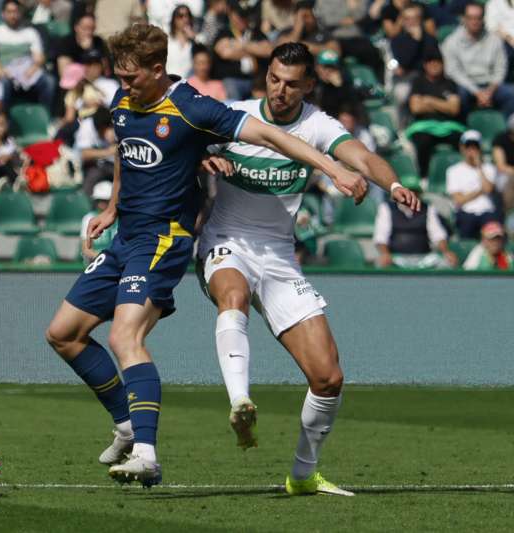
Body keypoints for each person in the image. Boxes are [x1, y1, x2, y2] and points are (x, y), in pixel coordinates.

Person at [44, 24, 366, 488]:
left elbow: (271, 136)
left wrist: (333, 168)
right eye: (121, 76)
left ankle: (147, 454)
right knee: (63, 334)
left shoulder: (192, 106)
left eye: (132, 77)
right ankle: (126, 424)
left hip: (163, 239)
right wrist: (111, 207)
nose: (123, 84)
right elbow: (124, 152)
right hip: (126, 236)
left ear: (158, 70)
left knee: (123, 336)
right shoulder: (122, 100)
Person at [197, 42, 418, 496]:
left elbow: (361, 157)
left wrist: (393, 183)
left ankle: (302, 475)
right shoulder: (236, 116)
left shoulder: (317, 125)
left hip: (279, 255)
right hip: (226, 241)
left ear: (309, 86)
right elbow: (185, 148)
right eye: (274, 79)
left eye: (292, 84)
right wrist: (204, 158)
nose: (280, 90)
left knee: (328, 376)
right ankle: (240, 402)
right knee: (233, 295)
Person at [441, 2, 514, 118]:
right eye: (470, 18)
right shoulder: (451, 42)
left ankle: (505, 127)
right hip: (465, 85)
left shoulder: (495, 40)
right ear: (464, 19)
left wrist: (490, 91)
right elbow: (453, 72)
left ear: (483, 19)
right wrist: (477, 92)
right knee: (459, 96)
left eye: (478, 18)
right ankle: (464, 126)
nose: (474, 22)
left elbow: (500, 68)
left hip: (491, 85)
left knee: (511, 93)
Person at [0, 0, 55, 111]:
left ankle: (44, 115)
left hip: (28, 71)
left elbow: (39, 57)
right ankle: (2, 116)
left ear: (20, 13)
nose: (13, 15)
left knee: (49, 81)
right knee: (3, 83)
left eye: (16, 12)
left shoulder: (30, 32)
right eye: (9, 12)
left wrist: (32, 69)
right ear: (3, 14)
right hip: (5, 72)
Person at [373, 175, 457, 268]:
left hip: (424, 258)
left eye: (415, 192)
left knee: (447, 262)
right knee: (380, 263)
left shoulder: (428, 208)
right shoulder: (386, 208)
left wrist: (446, 252)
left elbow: (438, 235)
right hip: (396, 258)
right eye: (408, 192)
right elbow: (381, 237)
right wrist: (385, 254)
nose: (411, 196)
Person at [405, 47, 463, 177]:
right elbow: (416, 108)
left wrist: (429, 100)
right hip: (424, 126)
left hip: (448, 126)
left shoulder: (450, 83)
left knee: (462, 140)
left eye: (437, 62)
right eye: (430, 62)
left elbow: (454, 109)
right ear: (425, 65)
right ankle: (424, 177)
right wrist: (444, 106)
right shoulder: (418, 82)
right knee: (423, 141)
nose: (434, 65)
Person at [447, 129, 506, 238]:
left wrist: (479, 166)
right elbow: (459, 200)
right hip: (466, 213)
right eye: (468, 146)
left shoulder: (489, 168)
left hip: (487, 212)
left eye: (475, 147)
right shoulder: (453, 171)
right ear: (462, 148)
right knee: (465, 233)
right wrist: (480, 191)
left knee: (495, 235)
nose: (471, 150)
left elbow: (488, 189)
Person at [212, 1, 272, 101]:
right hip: (233, 79)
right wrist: (254, 51)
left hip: (256, 81)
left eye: (245, 15)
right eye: (239, 15)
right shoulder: (224, 32)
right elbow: (224, 52)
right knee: (231, 89)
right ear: (231, 14)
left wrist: (240, 45)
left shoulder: (255, 33)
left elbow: (268, 50)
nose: (242, 19)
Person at [55, 13, 110, 79]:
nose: (89, 32)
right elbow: (65, 73)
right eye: (85, 28)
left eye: (92, 29)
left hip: (98, 79)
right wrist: (84, 51)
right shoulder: (66, 43)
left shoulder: (98, 41)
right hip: (76, 82)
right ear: (76, 27)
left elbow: (106, 70)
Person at [80, 180, 117, 262]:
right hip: (96, 261)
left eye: (105, 200)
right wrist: (101, 258)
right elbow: (86, 249)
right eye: (99, 200)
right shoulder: (89, 218)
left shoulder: (120, 218)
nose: (101, 203)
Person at [166, 5, 197, 78]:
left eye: (187, 15)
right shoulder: (167, 40)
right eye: (180, 16)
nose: (185, 19)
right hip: (171, 81)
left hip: (189, 82)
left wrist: (194, 39)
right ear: (174, 20)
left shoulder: (196, 40)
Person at [492, 114, 514, 211]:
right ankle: (507, 212)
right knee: (507, 181)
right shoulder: (501, 139)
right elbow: (501, 166)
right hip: (504, 174)